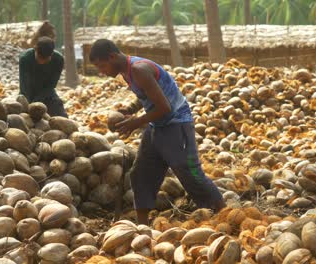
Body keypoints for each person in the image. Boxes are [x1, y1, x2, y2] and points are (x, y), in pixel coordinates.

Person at [89, 39, 225, 225]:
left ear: (113, 56)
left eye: (102, 66)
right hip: (158, 125)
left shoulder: (138, 69)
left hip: (177, 124)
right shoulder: (127, 71)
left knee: (189, 173)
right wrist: (130, 110)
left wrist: (135, 123)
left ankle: (225, 214)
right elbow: (147, 95)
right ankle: (142, 226)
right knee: (141, 173)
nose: (101, 72)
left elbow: (165, 107)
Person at [19, 36, 67, 117]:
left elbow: (52, 85)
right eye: (40, 57)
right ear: (35, 49)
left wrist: (38, 101)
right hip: (28, 92)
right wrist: (28, 105)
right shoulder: (25, 58)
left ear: (52, 54)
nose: (42, 61)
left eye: (46, 59)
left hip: (47, 92)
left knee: (60, 112)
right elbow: (24, 85)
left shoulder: (58, 60)